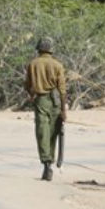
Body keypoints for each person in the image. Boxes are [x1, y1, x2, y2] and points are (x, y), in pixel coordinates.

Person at [24, 37, 67, 181]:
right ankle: (50, 161)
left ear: (39, 49)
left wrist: (32, 95)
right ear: (51, 49)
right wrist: (64, 110)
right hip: (55, 100)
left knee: (42, 132)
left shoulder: (33, 64)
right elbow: (62, 90)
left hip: (40, 100)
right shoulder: (58, 65)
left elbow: (27, 85)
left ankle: (46, 164)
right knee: (53, 133)